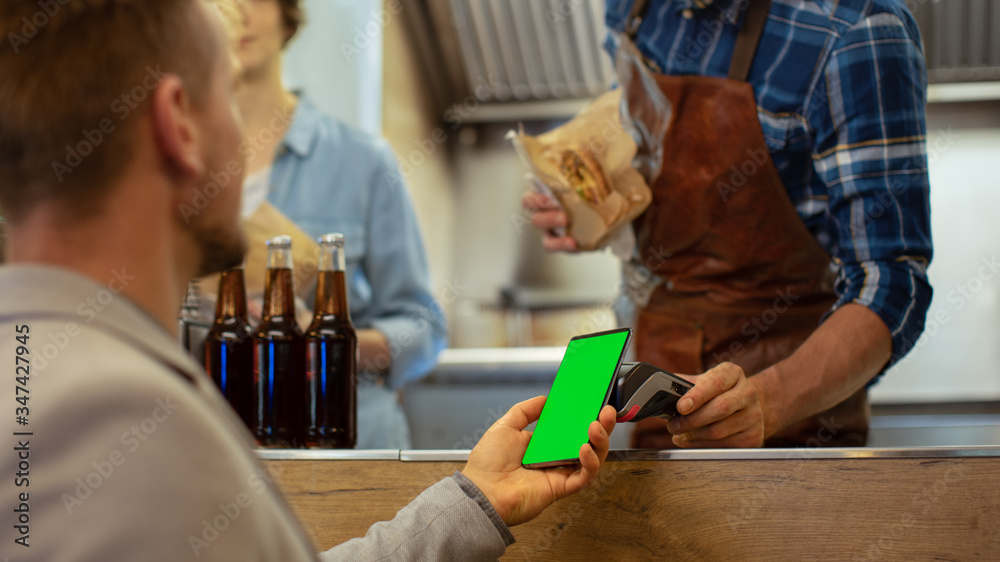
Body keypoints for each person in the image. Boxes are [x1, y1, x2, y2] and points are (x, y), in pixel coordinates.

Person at [0, 1, 615, 559]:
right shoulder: (111, 416)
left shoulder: (50, 375)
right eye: (226, 94)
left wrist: (478, 501)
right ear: (179, 126)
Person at [524, 0, 933, 448]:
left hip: (783, 429)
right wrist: (594, 208)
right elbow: (647, 144)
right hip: (656, 369)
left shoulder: (857, 31)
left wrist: (770, 401)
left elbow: (891, 284)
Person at [234, 0, 447, 448]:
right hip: (226, 453)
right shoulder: (173, 173)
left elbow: (424, 328)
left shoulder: (363, 162)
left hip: (350, 452)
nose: (237, 12)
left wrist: (328, 339)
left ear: (286, 15)